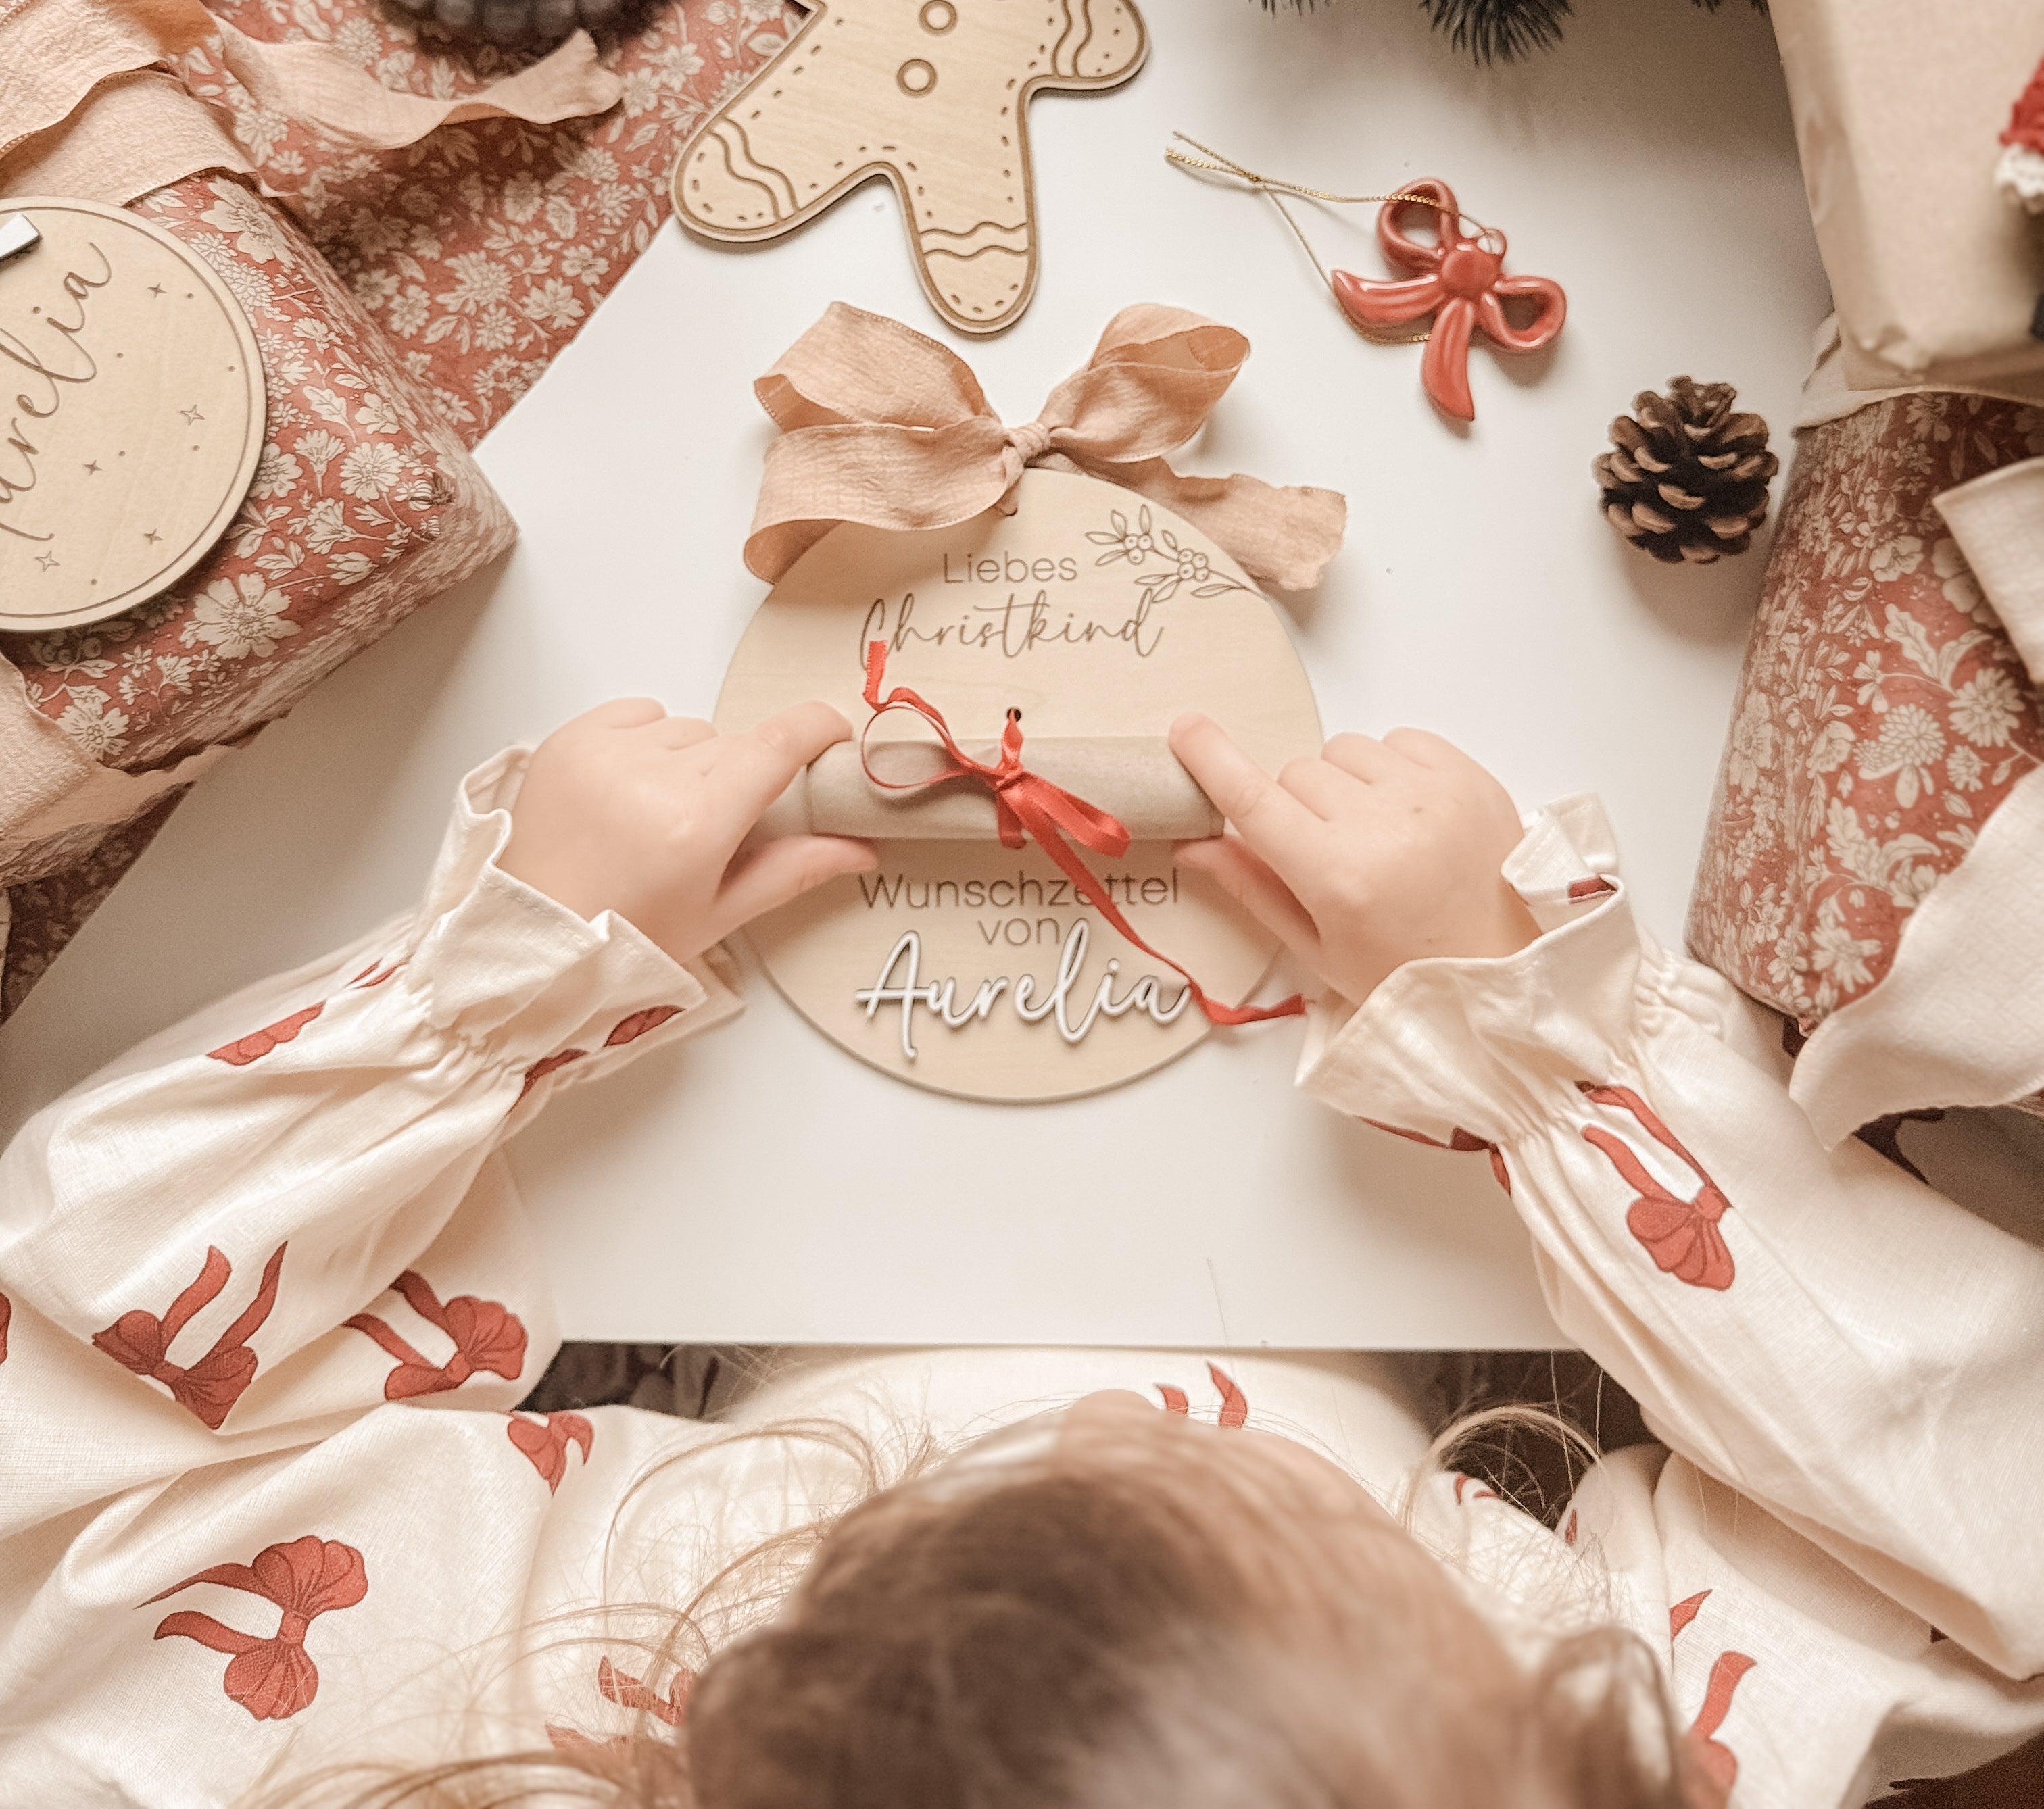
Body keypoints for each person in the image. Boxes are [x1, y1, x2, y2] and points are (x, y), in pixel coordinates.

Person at [0, 697, 2039, 1809]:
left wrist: (495, 978)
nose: (1147, 1450)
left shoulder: (392, 1737)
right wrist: (1530, 1037)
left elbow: (74, 1382)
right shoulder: (1571, 1744)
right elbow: (1992, 1504)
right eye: (1322, 1550)